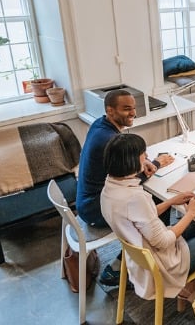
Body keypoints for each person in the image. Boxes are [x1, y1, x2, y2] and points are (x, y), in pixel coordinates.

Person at [100, 133, 195, 308]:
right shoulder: (134, 197)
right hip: (162, 266)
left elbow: (141, 218)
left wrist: (171, 202)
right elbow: (163, 242)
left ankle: (193, 286)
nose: (146, 157)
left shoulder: (110, 186)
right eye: (143, 154)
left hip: (142, 257)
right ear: (131, 161)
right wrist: (190, 213)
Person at [76, 89, 175, 285]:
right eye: (127, 109)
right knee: (154, 202)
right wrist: (156, 163)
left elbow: (122, 169)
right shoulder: (108, 139)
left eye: (134, 108)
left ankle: (142, 253)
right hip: (96, 208)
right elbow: (130, 180)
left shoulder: (100, 125)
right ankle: (134, 262)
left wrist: (141, 159)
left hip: (87, 200)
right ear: (110, 111)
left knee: (147, 202)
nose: (133, 113)